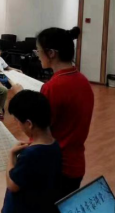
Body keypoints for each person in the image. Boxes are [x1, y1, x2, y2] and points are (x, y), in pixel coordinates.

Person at [2, 90, 61, 213]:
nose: (18, 125)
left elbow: (13, 185)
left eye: (18, 122)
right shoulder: (54, 146)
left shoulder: (31, 155)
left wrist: (10, 157)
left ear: (29, 124)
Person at [36, 27, 94, 199]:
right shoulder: (83, 80)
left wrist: (21, 102)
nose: (37, 56)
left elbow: (39, 132)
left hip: (56, 166)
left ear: (51, 53)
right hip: (76, 164)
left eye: (38, 51)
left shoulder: (52, 87)